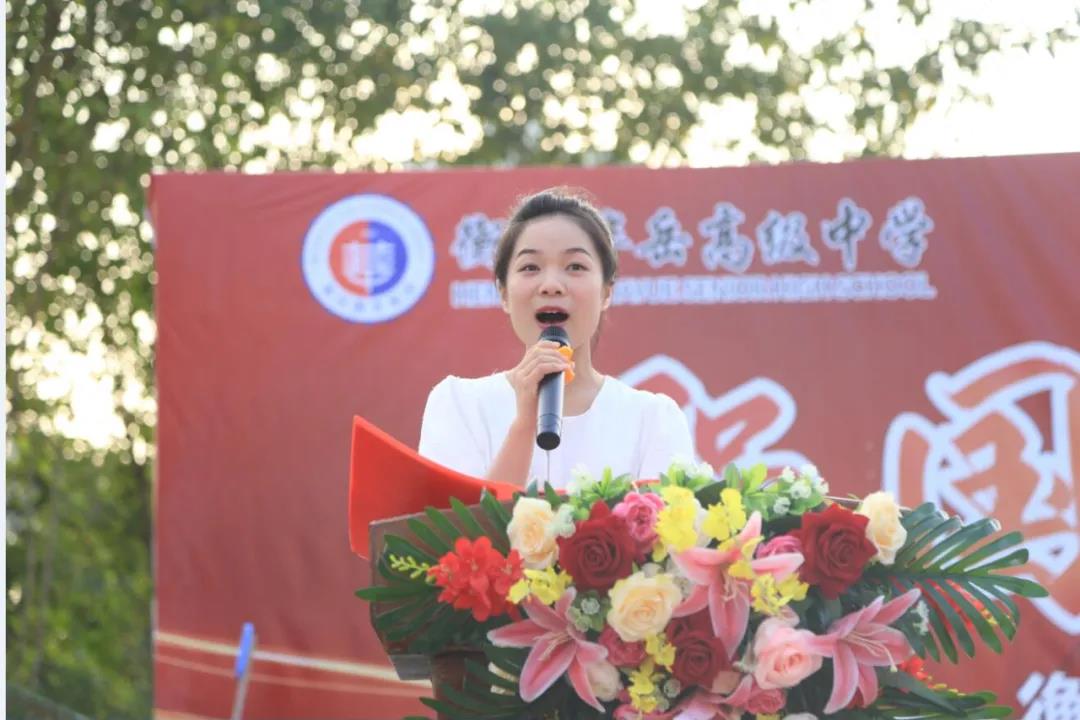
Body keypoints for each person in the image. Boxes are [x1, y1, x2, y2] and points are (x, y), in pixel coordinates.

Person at [418, 188, 693, 489]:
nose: (551, 285)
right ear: (504, 294)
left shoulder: (652, 420)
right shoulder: (459, 406)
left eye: (575, 267)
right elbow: (456, 519)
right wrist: (525, 423)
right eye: (530, 267)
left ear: (606, 292)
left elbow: (670, 519)